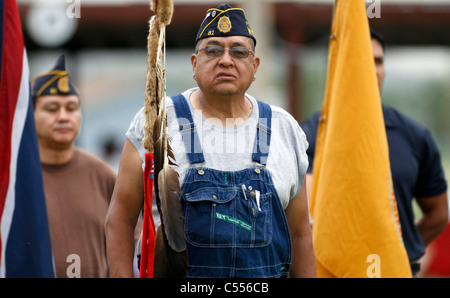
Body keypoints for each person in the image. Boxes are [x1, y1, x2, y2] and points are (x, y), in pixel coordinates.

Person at [105, 3, 316, 278]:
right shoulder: (158, 121)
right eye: (213, 50)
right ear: (194, 63)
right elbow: (119, 220)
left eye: (239, 52)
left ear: (255, 66)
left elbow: (300, 234)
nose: (226, 60)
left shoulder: (283, 128)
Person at [301, 31, 448, 276]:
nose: (371, 69)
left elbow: (438, 213)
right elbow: (306, 214)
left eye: (378, 61)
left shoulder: (415, 136)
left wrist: (399, 249)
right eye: (360, 60)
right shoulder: (313, 133)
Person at [32, 55, 116, 278]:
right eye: (51, 109)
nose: (63, 117)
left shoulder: (103, 175)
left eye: (71, 108)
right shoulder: (14, 177)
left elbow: (131, 245)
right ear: (30, 116)